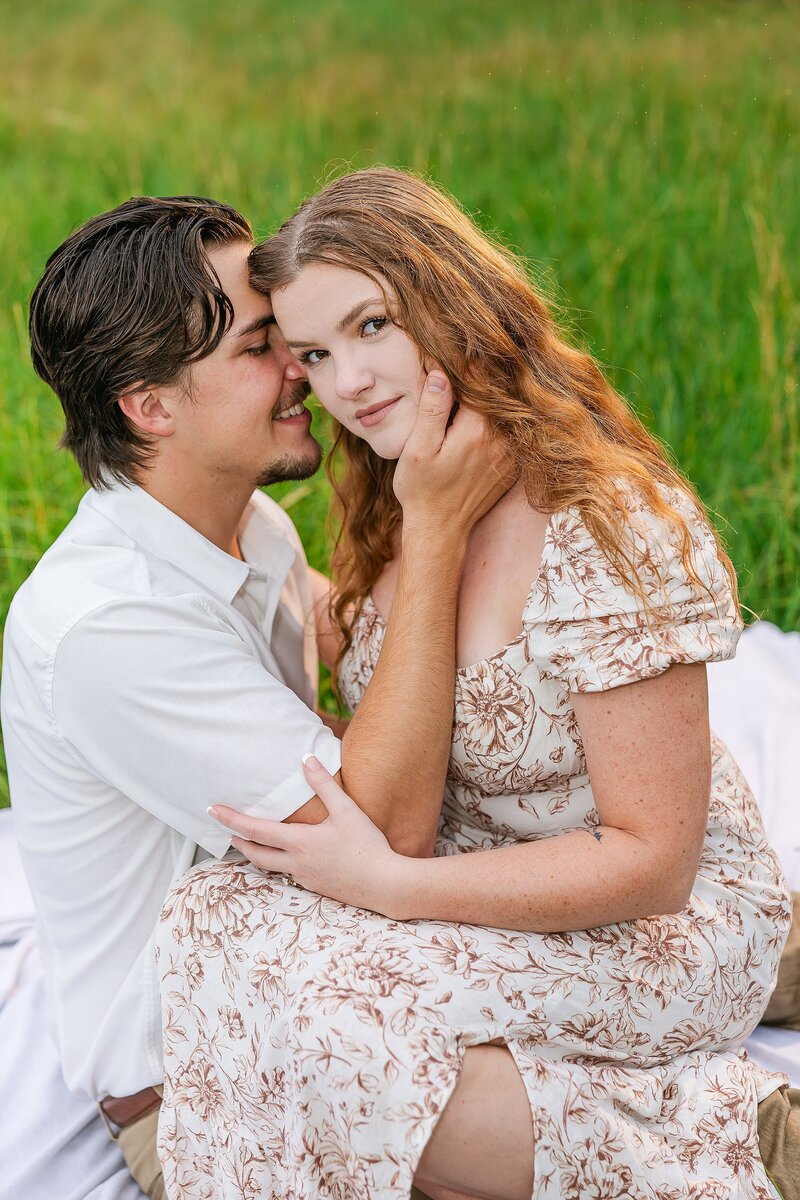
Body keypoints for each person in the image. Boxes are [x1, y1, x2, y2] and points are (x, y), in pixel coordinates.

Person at [153, 169, 796, 1200]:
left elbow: (652, 864)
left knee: (337, 1028)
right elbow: (362, 653)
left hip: (651, 925)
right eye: (313, 353)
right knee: (213, 919)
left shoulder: (604, 523)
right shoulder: (397, 486)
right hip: (490, 870)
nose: (347, 381)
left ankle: (733, 1139)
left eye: (372, 326)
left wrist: (395, 891)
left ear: (451, 306)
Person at [0, 195, 508, 1200]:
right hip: (214, 1082)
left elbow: (355, 638)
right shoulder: (110, 627)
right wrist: (434, 527)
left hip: (328, 966)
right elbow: (387, 830)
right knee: (659, 1119)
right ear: (150, 406)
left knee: (661, 895)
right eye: (261, 345)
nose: (303, 370)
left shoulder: (246, 520)